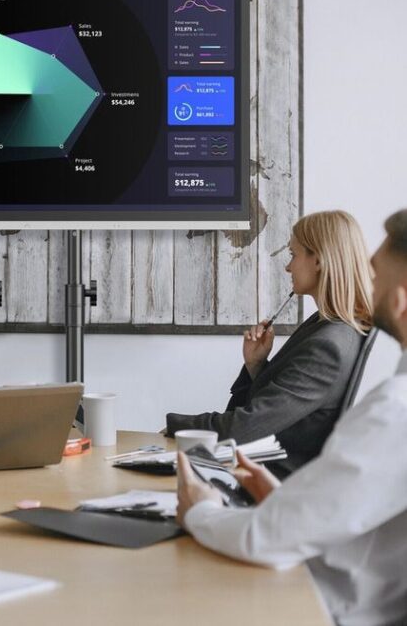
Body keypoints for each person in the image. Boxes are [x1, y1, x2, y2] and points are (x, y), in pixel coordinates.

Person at [176, 209, 407, 626]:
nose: (365, 284)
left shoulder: (394, 412)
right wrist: (284, 502)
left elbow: (267, 540)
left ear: (400, 300)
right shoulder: (328, 338)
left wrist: (200, 510)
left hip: (323, 605)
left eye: (375, 275)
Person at [165, 210, 373, 477]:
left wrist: (175, 425)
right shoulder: (324, 328)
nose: (288, 267)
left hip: (271, 481)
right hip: (257, 470)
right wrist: (256, 365)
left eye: (293, 255)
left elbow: (244, 428)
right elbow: (274, 410)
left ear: (319, 260)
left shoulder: (328, 345)